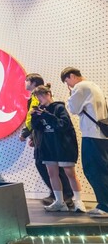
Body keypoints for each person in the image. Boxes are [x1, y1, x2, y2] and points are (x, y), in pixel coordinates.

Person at [29, 85, 87, 213]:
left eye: (42, 95)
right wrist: (35, 117)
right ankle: (59, 201)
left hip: (63, 146)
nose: (40, 98)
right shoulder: (41, 110)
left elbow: (63, 125)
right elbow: (37, 128)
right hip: (48, 147)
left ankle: (78, 201)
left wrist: (46, 115)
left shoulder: (59, 108)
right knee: (52, 174)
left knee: (70, 173)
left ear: (48, 94)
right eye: (38, 96)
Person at [20, 73, 73, 208]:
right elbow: (34, 120)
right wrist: (32, 136)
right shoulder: (34, 97)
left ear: (33, 82)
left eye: (27, 80)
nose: (25, 83)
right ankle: (58, 195)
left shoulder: (40, 97)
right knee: (47, 166)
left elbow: (38, 117)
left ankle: (65, 195)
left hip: (48, 138)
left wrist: (26, 133)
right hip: (40, 135)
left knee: (53, 167)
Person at [61, 67, 108, 218]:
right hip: (101, 135)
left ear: (72, 76)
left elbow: (73, 109)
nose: (68, 85)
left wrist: (71, 94)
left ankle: (105, 206)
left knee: (93, 169)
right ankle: (103, 204)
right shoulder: (94, 86)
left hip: (91, 134)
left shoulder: (80, 87)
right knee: (102, 168)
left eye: (67, 81)